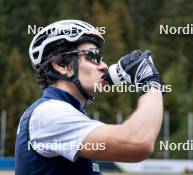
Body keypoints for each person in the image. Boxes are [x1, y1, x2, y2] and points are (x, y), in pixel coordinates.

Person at [15, 19, 164, 175]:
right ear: (60, 64)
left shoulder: (65, 113)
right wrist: (150, 82)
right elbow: (138, 142)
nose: (104, 66)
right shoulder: (49, 113)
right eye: (93, 56)